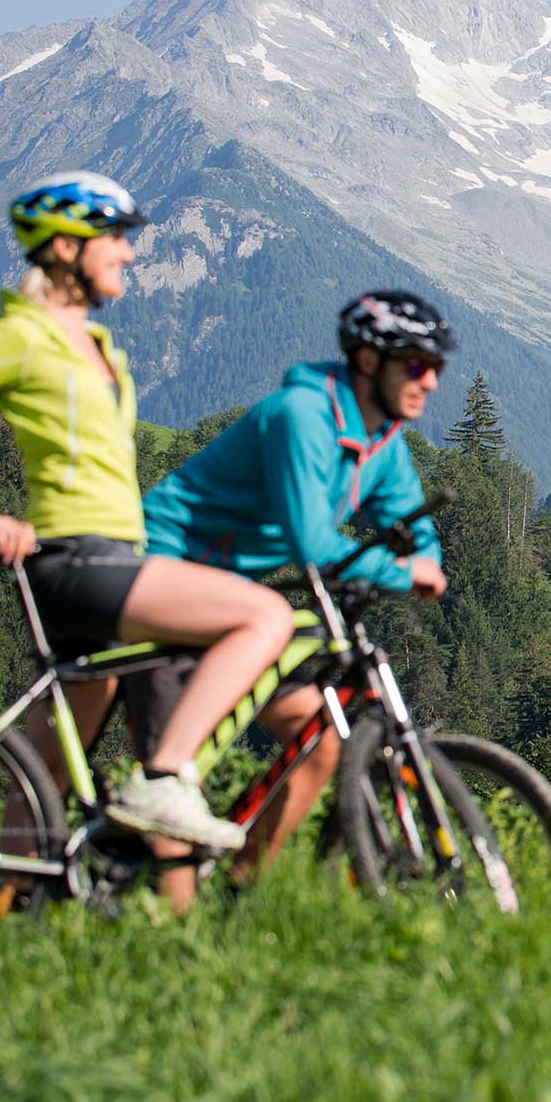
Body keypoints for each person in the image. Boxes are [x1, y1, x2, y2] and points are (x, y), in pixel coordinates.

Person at [0, 171, 294, 853]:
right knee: (264, 614)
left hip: (108, 557)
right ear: (67, 248)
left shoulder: (99, 348)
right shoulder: (22, 335)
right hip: (80, 562)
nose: (129, 252)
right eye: (115, 237)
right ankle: (163, 777)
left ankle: (4, 906)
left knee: (45, 770)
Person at [138, 290, 450, 886]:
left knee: (321, 740)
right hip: (168, 575)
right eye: (416, 363)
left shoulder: (381, 441)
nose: (431, 380)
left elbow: (413, 523)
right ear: (367, 362)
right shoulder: (303, 416)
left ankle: (239, 892)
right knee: (176, 779)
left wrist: (424, 561)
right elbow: (311, 545)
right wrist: (401, 574)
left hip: (235, 598)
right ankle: (169, 932)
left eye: (436, 366)